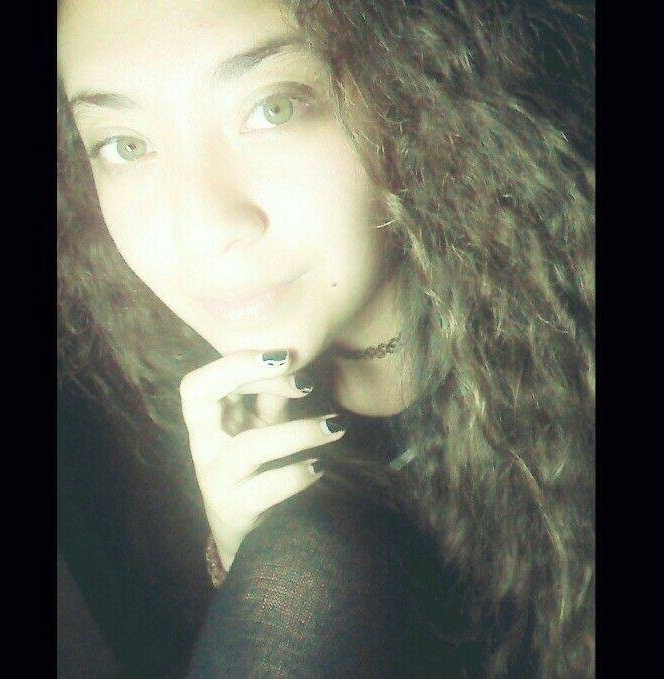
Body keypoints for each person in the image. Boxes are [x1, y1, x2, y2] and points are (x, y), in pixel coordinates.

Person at [57, 0, 595, 676]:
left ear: (410, 95)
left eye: (274, 108)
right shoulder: (188, 413)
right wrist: (242, 558)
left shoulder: (574, 340)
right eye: (125, 145)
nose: (199, 228)